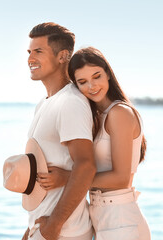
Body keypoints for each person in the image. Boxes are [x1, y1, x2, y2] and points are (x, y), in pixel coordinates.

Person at [36, 47, 151, 239]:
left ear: (107, 73)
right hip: (101, 215)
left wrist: (69, 178)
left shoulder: (119, 113)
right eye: (82, 82)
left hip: (120, 218)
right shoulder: (96, 117)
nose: (92, 86)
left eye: (96, 76)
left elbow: (121, 179)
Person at [22, 22, 96, 240]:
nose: (30, 58)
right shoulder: (45, 103)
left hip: (65, 231)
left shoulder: (71, 102)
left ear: (63, 56)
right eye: (29, 52)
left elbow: (86, 165)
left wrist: (54, 226)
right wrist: (30, 230)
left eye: (38, 51)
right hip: (43, 226)